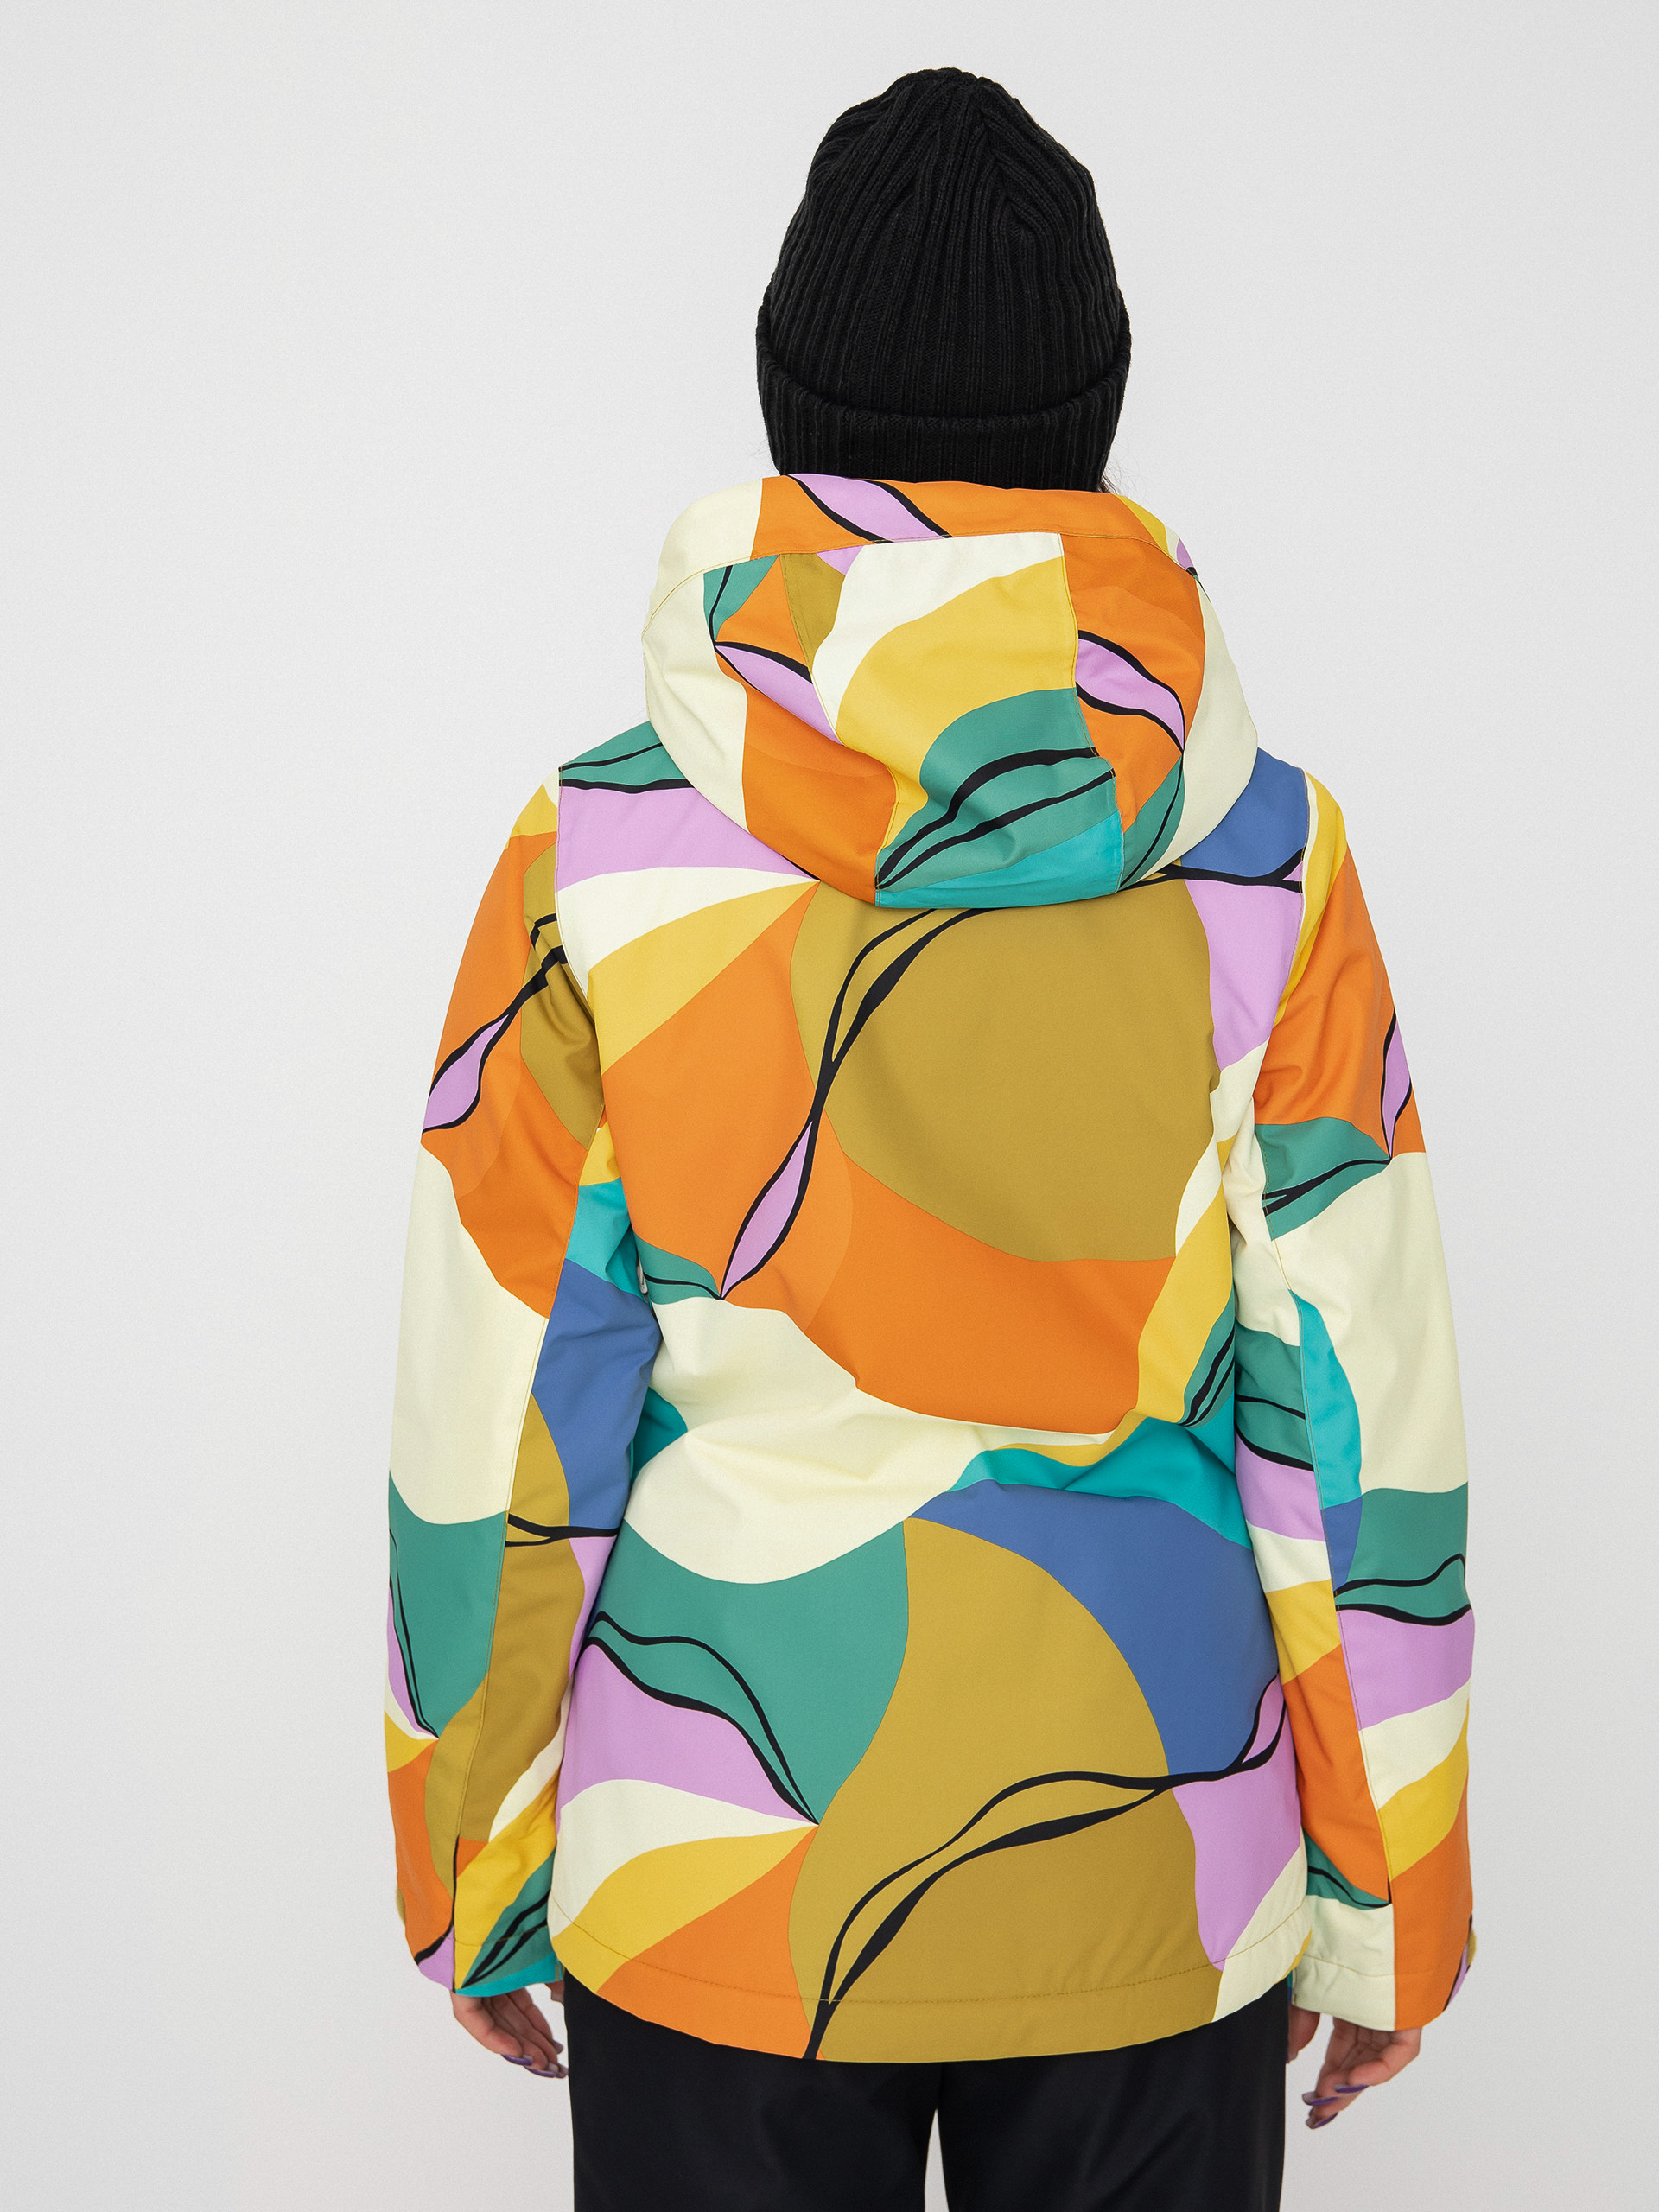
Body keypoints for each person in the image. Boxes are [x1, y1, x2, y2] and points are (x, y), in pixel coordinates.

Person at [385, 67, 1474, 2212]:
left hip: (717, 1873)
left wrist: (472, 1856)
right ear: (1097, 412)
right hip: (1152, 1857)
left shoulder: (595, 847)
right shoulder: (1266, 856)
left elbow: (505, 1397)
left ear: (787, 400)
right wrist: (1389, 1899)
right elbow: (1353, 1411)